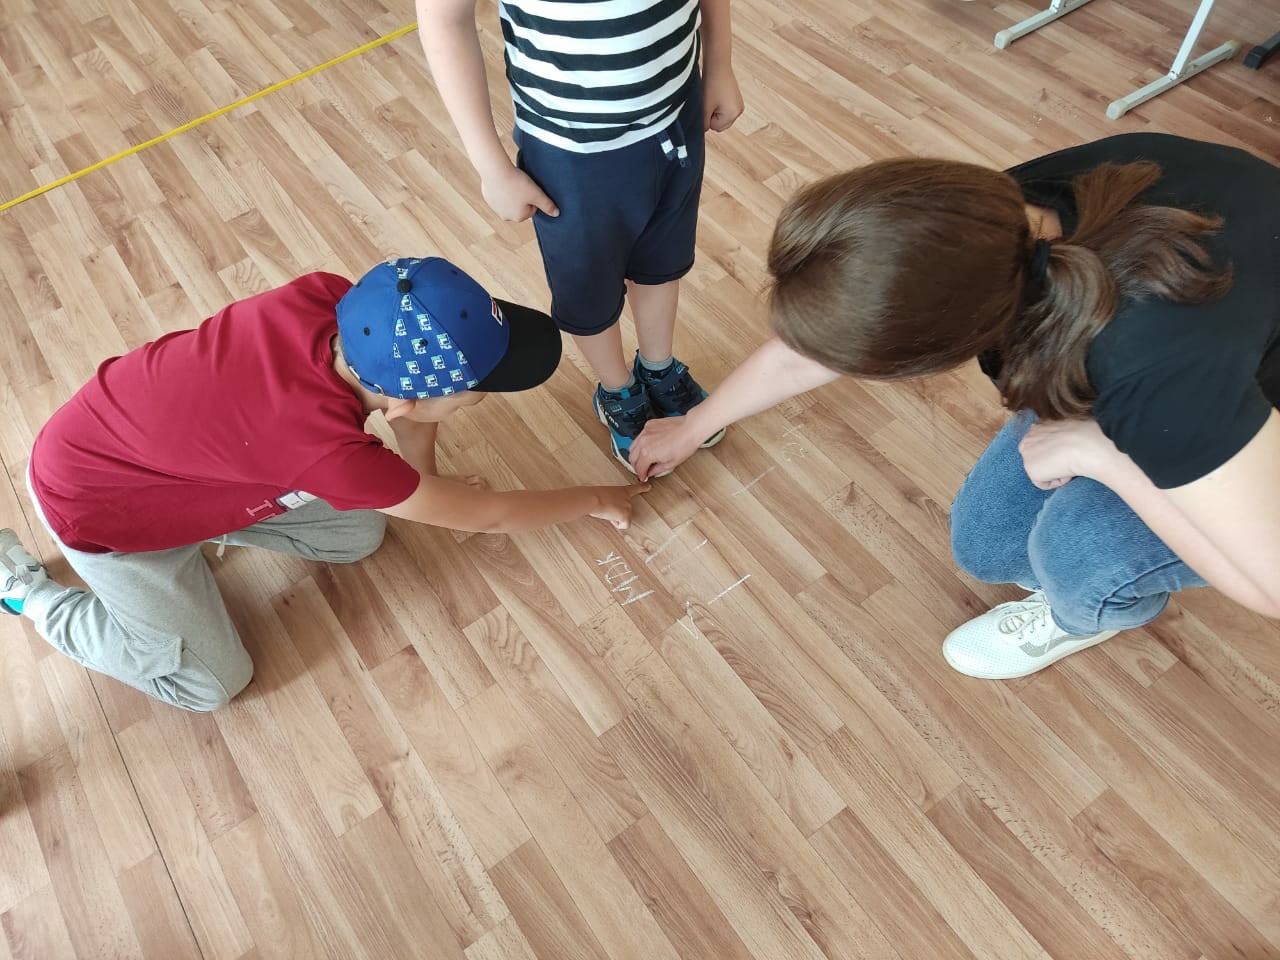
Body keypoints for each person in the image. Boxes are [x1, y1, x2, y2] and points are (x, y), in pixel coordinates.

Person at [629, 132, 1280, 679]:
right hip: (1193, 353)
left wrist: (1102, 457)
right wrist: (693, 425)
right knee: (988, 544)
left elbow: (1272, 582)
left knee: (1076, 553)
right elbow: (815, 345)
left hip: (1237, 411)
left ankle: (1094, 609)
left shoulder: (1154, 368)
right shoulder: (985, 219)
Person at [0, 257, 648, 712]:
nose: (481, 397)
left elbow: (407, 423)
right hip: (98, 513)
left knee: (358, 532)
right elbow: (490, 516)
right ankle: (28, 595)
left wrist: (425, 480)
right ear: (406, 402)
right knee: (213, 684)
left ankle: (206, 524)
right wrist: (597, 497)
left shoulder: (333, 302)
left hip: (164, 458)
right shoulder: (328, 451)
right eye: (478, 392)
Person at [415, 0, 744, 471]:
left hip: (676, 114)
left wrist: (720, 62)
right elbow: (443, 19)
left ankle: (659, 368)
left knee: (661, 260)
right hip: (569, 149)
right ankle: (617, 390)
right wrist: (492, 168)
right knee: (588, 289)